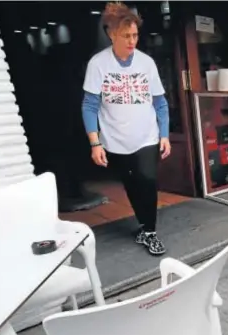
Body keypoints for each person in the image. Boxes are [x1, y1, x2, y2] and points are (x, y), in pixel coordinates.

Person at [81, 2, 171, 255]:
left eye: (135, 35)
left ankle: (150, 232)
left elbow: (160, 103)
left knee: (148, 180)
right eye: (126, 36)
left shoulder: (146, 63)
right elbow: (89, 105)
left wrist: (164, 134)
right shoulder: (98, 65)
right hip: (114, 140)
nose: (132, 41)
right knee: (131, 184)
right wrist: (95, 143)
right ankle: (143, 225)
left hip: (147, 136)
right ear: (112, 34)